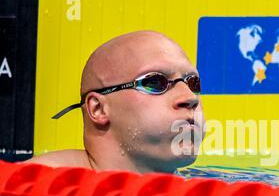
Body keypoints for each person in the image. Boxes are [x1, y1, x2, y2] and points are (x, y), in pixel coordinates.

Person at [26, 30, 205, 173]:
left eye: (192, 82)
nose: (189, 98)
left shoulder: (205, 189)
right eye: (155, 82)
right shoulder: (34, 182)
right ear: (98, 109)